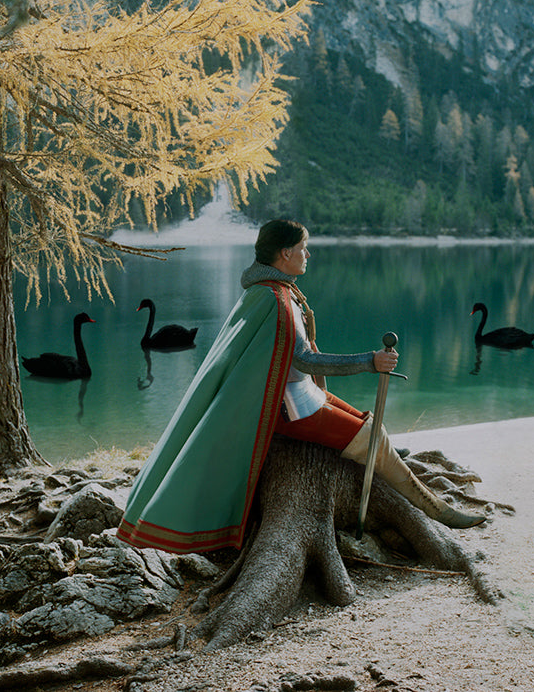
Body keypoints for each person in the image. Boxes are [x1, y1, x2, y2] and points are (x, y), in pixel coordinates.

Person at [116, 219, 485, 553]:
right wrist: (369, 362)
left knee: (375, 431)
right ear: (286, 253)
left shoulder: (268, 291)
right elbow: (303, 361)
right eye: (303, 248)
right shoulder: (276, 299)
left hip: (301, 396)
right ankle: (437, 511)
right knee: (372, 439)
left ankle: (425, 498)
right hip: (292, 409)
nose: (308, 255)